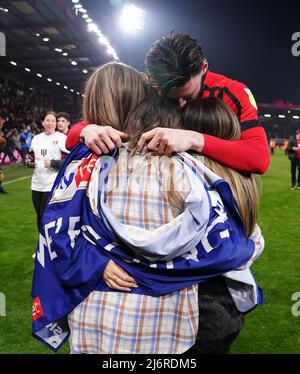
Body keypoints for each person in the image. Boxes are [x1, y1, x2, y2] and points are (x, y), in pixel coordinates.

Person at [32, 63, 263, 354]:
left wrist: (95, 261)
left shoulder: (87, 163)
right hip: (168, 327)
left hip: (95, 323)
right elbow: (238, 243)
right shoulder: (187, 175)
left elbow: (57, 232)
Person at [66, 33, 269, 176]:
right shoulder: (151, 85)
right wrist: (88, 130)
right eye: (170, 98)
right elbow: (72, 138)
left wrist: (194, 139)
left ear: (204, 67)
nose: (180, 104)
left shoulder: (232, 92)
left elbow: (259, 158)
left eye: (188, 96)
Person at [28, 111, 69, 231]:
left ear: (56, 123)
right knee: (39, 216)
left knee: (46, 216)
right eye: (47, 120)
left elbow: (70, 160)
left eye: (53, 120)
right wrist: (29, 162)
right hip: (36, 183)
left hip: (52, 183)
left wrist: (53, 163)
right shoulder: (36, 138)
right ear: (42, 122)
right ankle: (42, 244)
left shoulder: (62, 138)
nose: (50, 123)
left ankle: (49, 244)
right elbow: (30, 155)